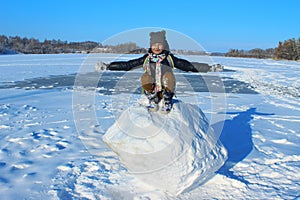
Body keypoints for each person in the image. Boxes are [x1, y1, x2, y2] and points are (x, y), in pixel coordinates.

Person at [106, 30, 211, 113]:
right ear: (151, 45)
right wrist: (108, 66)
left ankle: (167, 101)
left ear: (164, 45)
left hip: (166, 89)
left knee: (168, 76)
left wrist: (208, 68)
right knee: (145, 77)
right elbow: (128, 65)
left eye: (159, 44)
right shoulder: (147, 58)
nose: (156, 47)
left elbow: (188, 65)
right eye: (154, 44)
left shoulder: (169, 59)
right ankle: (153, 99)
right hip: (153, 90)